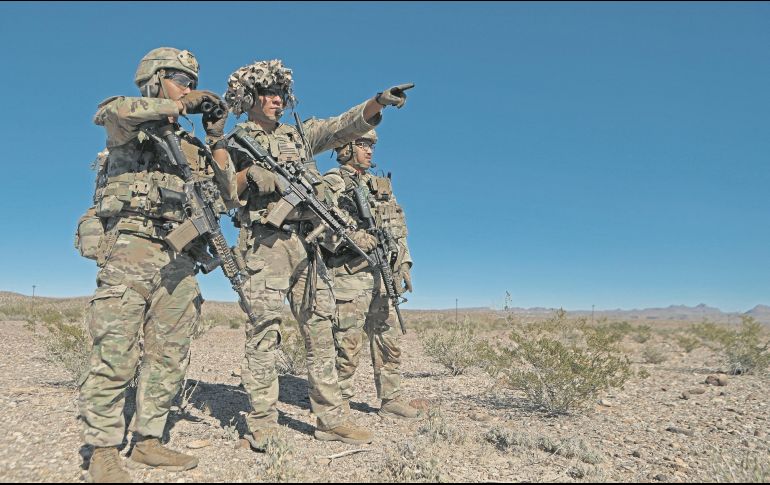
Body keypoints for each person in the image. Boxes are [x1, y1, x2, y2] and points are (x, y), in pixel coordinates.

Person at [223, 59, 412, 448]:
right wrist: (249, 177)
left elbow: (342, 126)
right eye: (268, 93)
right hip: (266, 245)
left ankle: (331, 420)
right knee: (265, 332)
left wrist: (377, 102)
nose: (277, 99)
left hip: (308, 246)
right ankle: (262, 424)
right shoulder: (235, 141)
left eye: (281, 93)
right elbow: (219, 190)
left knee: (322, 332)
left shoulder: (299, 136)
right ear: (250, 97)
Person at [76, 47, 235, 482]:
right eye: (180, 80)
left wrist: (217, 137)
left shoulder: (191, 147)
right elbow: (111, 112)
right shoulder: (128, 125)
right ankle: (103, 450)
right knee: (115, 351)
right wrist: (181, 105)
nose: (188, 88)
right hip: (132, 248)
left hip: (179, 259)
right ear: (154, 80)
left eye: (191, 82)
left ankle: (148, 440)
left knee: (169, 354)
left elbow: (228, 193)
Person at [324, 129, 422, 420]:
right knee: (347, 342)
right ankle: (339, 401)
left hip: (382, 274)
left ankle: (390, 398)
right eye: (362, 144)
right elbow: (319, 224)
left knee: (388, 338)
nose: (369, 151)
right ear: (345, 148)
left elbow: (397, 228)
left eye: (371, 146)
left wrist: (404, 262)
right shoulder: (332, 182)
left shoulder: (380, 186)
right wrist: (353, 238)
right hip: (349, 274)